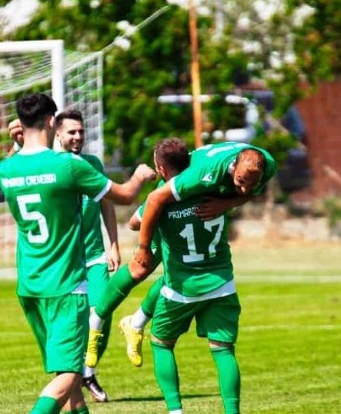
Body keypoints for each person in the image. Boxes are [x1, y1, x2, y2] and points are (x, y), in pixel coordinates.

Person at [0, 93, 155, 414]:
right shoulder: (68, 166)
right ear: (51, 122)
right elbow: (124, 196)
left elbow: (15, 158)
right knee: (71, 374)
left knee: (65, 375)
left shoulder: (4, 170)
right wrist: (139, 176)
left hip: (29, 285)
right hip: (65, 285)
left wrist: (16, 143)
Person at [137, 139, 271, 414]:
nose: (244, 190)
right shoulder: (212, 189)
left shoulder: (169, 196)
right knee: (223, 350)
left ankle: (175, 411)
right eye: (240, 182)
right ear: (232, 169)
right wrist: (226, 205)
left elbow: (139, 216)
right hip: (222, 283)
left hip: (182, 288)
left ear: (161, 168)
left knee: (161, 343)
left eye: (250, 185)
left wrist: (143, 247)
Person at [85, 138, 190, 368]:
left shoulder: (188, 182)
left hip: (190, 240)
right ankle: (95, 324)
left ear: (161, 168)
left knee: (180, 276)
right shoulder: (164, 191)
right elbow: (134, 222)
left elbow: (133, 222)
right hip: (166, 234)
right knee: (138, 269)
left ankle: (135, 323)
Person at [53, 109, 119, 403]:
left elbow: (107, 203)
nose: (78, 136)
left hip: (94, 255)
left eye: (81, 131)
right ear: (58, 134)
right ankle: (70, 375)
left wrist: (113, 244)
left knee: (103, 312)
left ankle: (87, 372)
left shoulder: (93, 164)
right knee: (73, 323)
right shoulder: (51, 166)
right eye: (71, 132)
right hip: (65, 261)